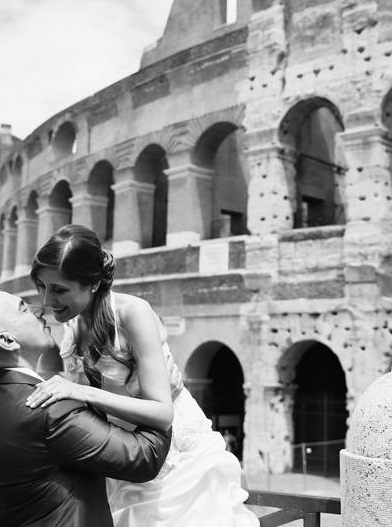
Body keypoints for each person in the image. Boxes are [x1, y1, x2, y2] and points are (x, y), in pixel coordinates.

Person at [27, 224, 258, 526]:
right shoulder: (71, 323)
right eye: (41, 287)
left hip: (174, 456)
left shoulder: (133, 312)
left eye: (58, 289)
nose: (47, 301)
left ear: (93, 284)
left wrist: (80, 391)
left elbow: (162, 413)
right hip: (121, 454)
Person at [0, 290, 172, 527]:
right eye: (23, 309)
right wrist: (161, 393)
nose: (39, 310)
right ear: (7, 340)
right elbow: (146, 457)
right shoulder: (50, 409)